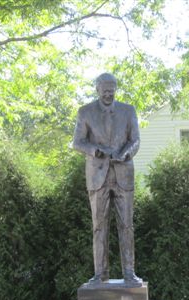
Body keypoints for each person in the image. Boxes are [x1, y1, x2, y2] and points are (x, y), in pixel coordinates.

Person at [72, 73, 142, 286]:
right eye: (105, 90)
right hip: (97, 176)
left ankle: (129, 273)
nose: (109, 94)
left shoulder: (128, 111)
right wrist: (95, 151)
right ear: (97, 89)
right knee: (99, 227)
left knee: (126, 226)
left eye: (112, 90)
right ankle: (100, 274)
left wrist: (126, 153)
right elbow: (77, 142)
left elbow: (135, 140)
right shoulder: (85, 112)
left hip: (123, 174)